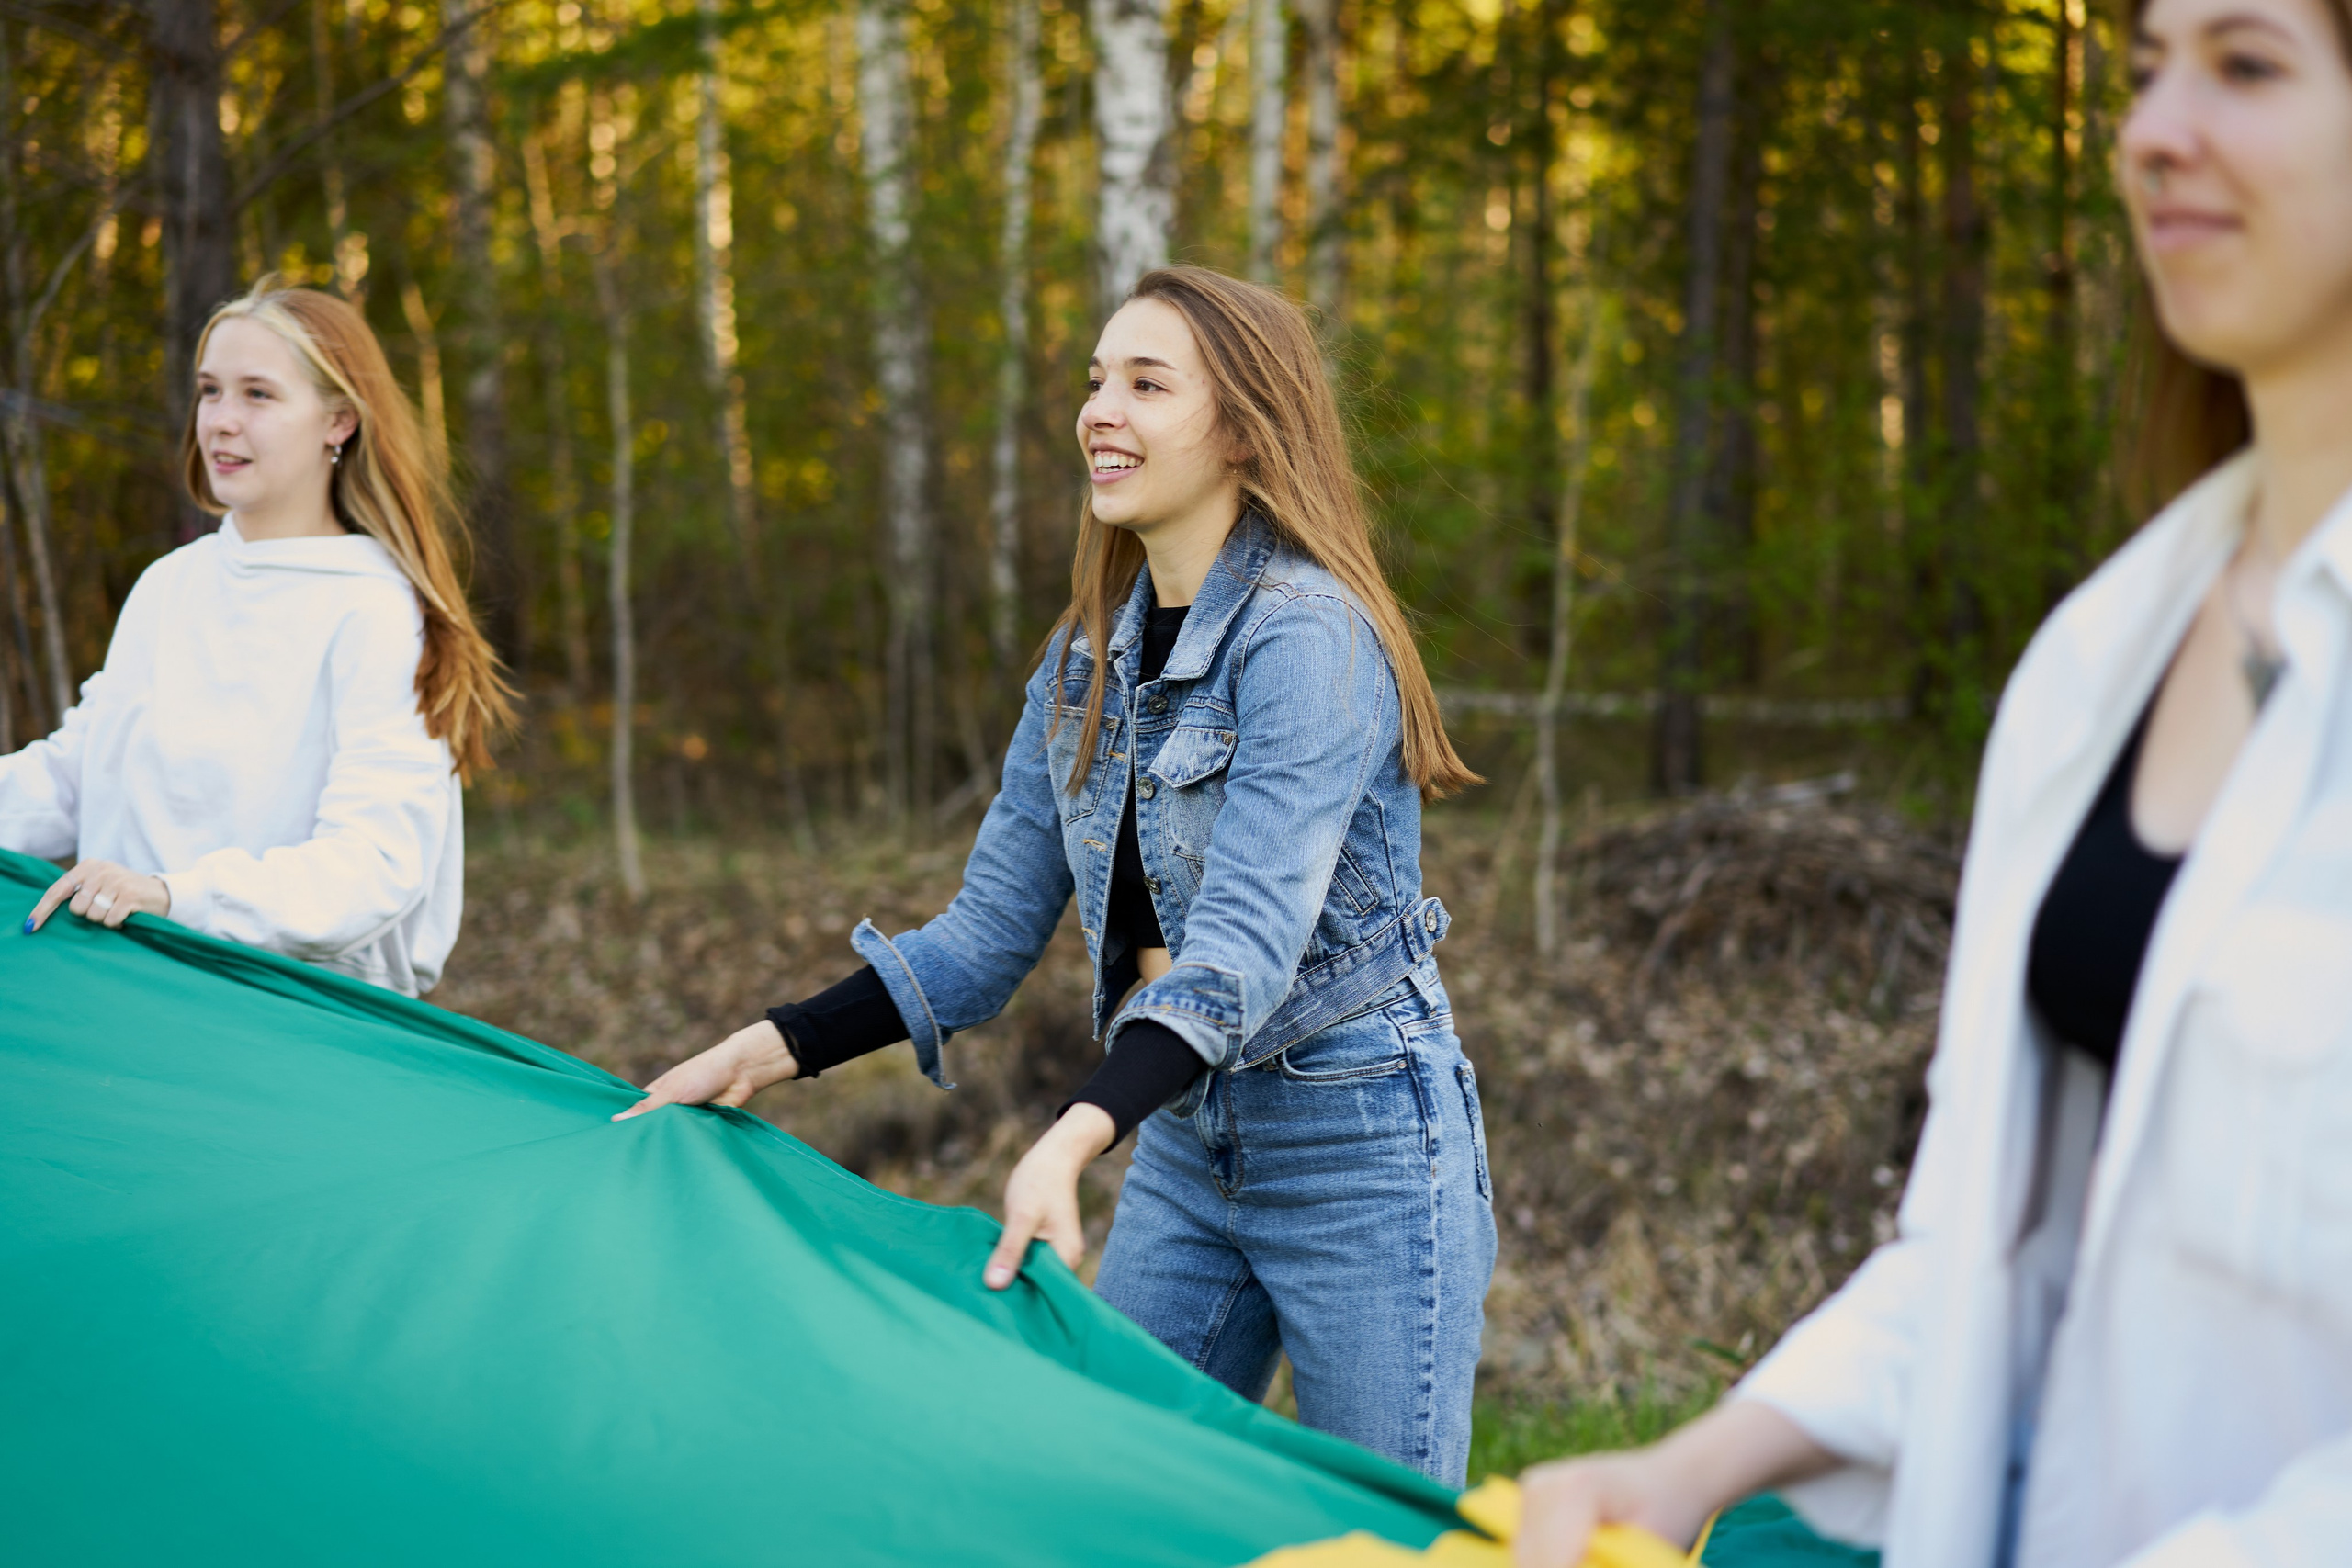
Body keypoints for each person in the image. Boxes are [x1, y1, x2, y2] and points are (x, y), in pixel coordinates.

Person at [1513, 1, 2352, 1564]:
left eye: (2244, 65)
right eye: (2145, 68)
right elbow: (1991, 1253)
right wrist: (1689, 1466)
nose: (2158, 128)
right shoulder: (2099, 660)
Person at [616, 266, 1498, 1484]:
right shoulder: (1086, 657)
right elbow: (982, 938)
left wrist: (1074, 1131)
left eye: (1146, 382)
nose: (1100, 409)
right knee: (1110, 1497)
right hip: (1191, 1140)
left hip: (1362, 1144)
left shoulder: (1310, 633)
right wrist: (762, 1049)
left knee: (1388, 1537)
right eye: (1094, 381)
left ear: (1241, 426)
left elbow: (1240, 947)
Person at [3, 278, 509, 997]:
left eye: (258, 395)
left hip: (290, 1020)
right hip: (120, 989)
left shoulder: (374, 610)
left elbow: (371, 864)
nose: (220, 421)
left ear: (339, 420)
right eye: (210, 391)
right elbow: (79, 776)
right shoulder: (169, 585)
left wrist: (173, 896)